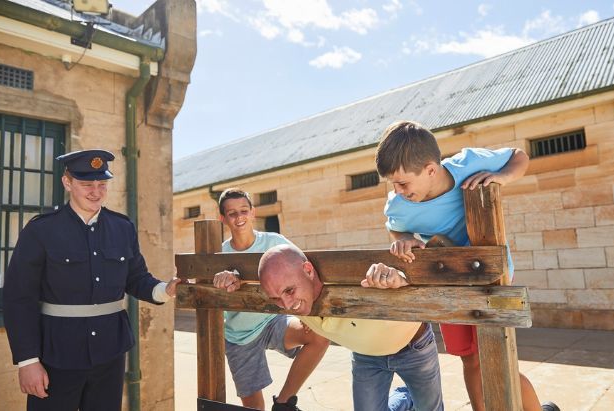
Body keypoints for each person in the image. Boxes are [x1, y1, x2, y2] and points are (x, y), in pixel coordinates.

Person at [375, 120, 559, 411]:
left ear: (430, 170)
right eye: (393, 185)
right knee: (469, 357)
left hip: (491, 276)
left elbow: (518, 156)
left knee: (496, 355)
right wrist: (405, 239)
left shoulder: (469, 163)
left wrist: (503, 176)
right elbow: (395, 228)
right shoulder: (399, 205)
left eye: (403, 183)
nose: (398, 191)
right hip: (447, 282)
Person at [2, 149, 181, 411]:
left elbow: (136, 278)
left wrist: (166, 289)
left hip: (110, 353)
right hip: (57, 353)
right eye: (87, 184)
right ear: (67, 183)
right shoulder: (41, 230)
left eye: (102, 184)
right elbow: (19, 298)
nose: (96, 191)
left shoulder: (122, 228)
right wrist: (28, 361)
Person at [258, 244, 444, 411]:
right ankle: (404, 399)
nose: (287, 305)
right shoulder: (291, 299)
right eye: (275, 298)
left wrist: (401, 280)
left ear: (308, 270)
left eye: (289, 291)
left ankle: (408, 397)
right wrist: (232, 277)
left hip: (412, 346)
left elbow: (415, 280)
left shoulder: (357, 278)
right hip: (366, 356)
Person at [211, 188, 329, 411]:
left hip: (271, 321)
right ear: (223, 218)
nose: (239, 217)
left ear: (253, 212)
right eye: (232, 213)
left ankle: (284, 403)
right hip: (238, 334)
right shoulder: (220, 254)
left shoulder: (275, 242)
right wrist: (227, 279)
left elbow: (304, 272)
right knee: (254, 406)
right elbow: (201, 284)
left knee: (319, 336)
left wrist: (306, 312)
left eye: (244, 211)